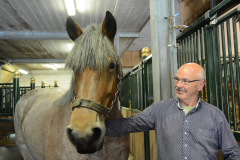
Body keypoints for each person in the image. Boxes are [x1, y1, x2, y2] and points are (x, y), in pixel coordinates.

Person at [105, 63, 240, 159]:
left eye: (185, 81)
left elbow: (233, 153)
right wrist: (97, 127)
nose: (178, 85)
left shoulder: (215, 115)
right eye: (177, 79)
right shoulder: (159, 110)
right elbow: (129, 124)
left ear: (200, 85)